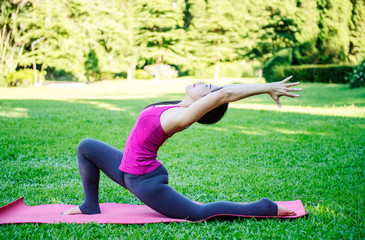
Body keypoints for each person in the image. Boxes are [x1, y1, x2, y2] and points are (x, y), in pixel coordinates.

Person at [63, 76, 302, 220]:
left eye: (208, 88)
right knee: (86, 147)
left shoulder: (180, 117)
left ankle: (264, 207)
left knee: (198, 214)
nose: (204, 83)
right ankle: (90, 206)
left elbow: (225, 93)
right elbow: (222, 91)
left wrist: (267, 86)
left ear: (206, 104)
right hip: (125, 168)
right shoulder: (173, 106)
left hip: (144, 180)